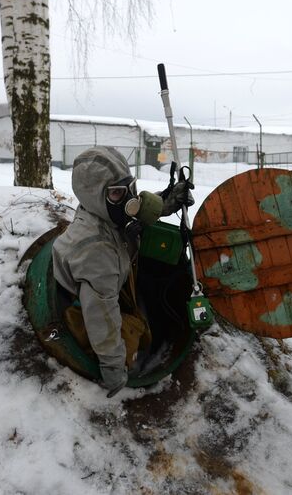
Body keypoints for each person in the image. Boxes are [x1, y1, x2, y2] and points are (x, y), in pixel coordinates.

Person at [52, 146, 193, 397]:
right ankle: (134, 360)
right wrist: (114, 368)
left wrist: (167, 201)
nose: (130, 200)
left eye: (131, 189)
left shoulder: (100, 211)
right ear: (94, 196)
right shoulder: (97, 253)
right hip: (81, 309)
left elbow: (130, 209)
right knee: (136, 330)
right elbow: (102, 317)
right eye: (118, 194)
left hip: (103, 286)